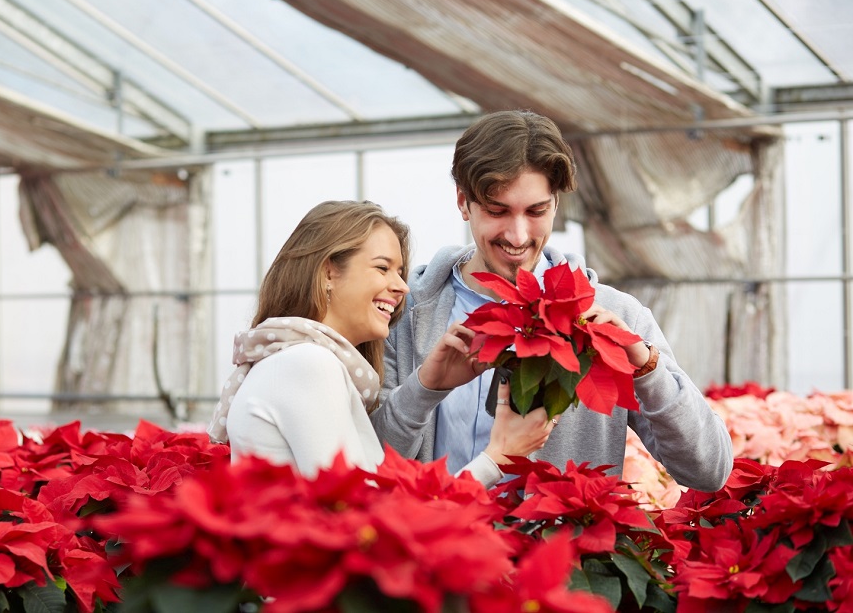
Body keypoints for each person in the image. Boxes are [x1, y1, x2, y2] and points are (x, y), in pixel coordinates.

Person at [370, 111, 734, 492]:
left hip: (557, 549)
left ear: (555, 205)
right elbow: (372, 463)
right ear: (464, 202)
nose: (518, 235)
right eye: (497, 211)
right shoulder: (404, 313)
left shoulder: (615, 315)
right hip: (432, 545)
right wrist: (424, 389)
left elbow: (708, 471)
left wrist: (646, 367)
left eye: (536, 211)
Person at [207, 200, 553, 486]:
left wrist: (429, 385)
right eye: (382, 268)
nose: (402, 287)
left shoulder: (296, 359)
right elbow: (370, 524)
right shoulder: (308, 365)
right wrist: (497, 458)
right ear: (328, 273)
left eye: (400, 272)